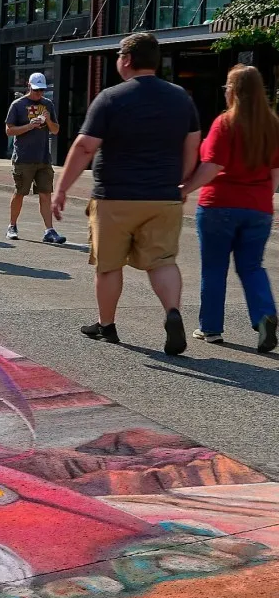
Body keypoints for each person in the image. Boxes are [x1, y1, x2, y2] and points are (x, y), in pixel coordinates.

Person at [52, 33, 201, 356]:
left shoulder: (110, 98)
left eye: (119, 56)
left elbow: (85, 146)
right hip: (163, 195)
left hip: (115, 196)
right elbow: (193, 144)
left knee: (108, 264)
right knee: (162, 261)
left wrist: (61, 188)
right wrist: (182, 181)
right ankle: (172, 312)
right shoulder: (180, 98)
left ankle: (107, 326)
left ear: (128, 60)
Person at [179, 64, 279, 351]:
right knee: (252, 266)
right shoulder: (273, 125)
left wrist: (185, 189)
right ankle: (264, 315)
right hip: (258, 208)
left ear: (233, 91)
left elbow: (212, 167)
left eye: (226, 88)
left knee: (214, 268)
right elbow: (275, 173)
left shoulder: (225, 123)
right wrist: (260, 199)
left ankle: (210, 328)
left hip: (219, 205)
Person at [5, 73, 66, 244]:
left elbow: (55, 130)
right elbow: (9, 130)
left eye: (42, 90)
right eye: (37, 90)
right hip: (23, 157)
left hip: (43, 158)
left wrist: (47, 120)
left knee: (46, 194)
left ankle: (49, 230)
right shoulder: (17, 105)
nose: (40, 94)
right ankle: (12, 225)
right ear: (29, 86)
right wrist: (30, 126)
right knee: (20, 193)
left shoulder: (48, 104)